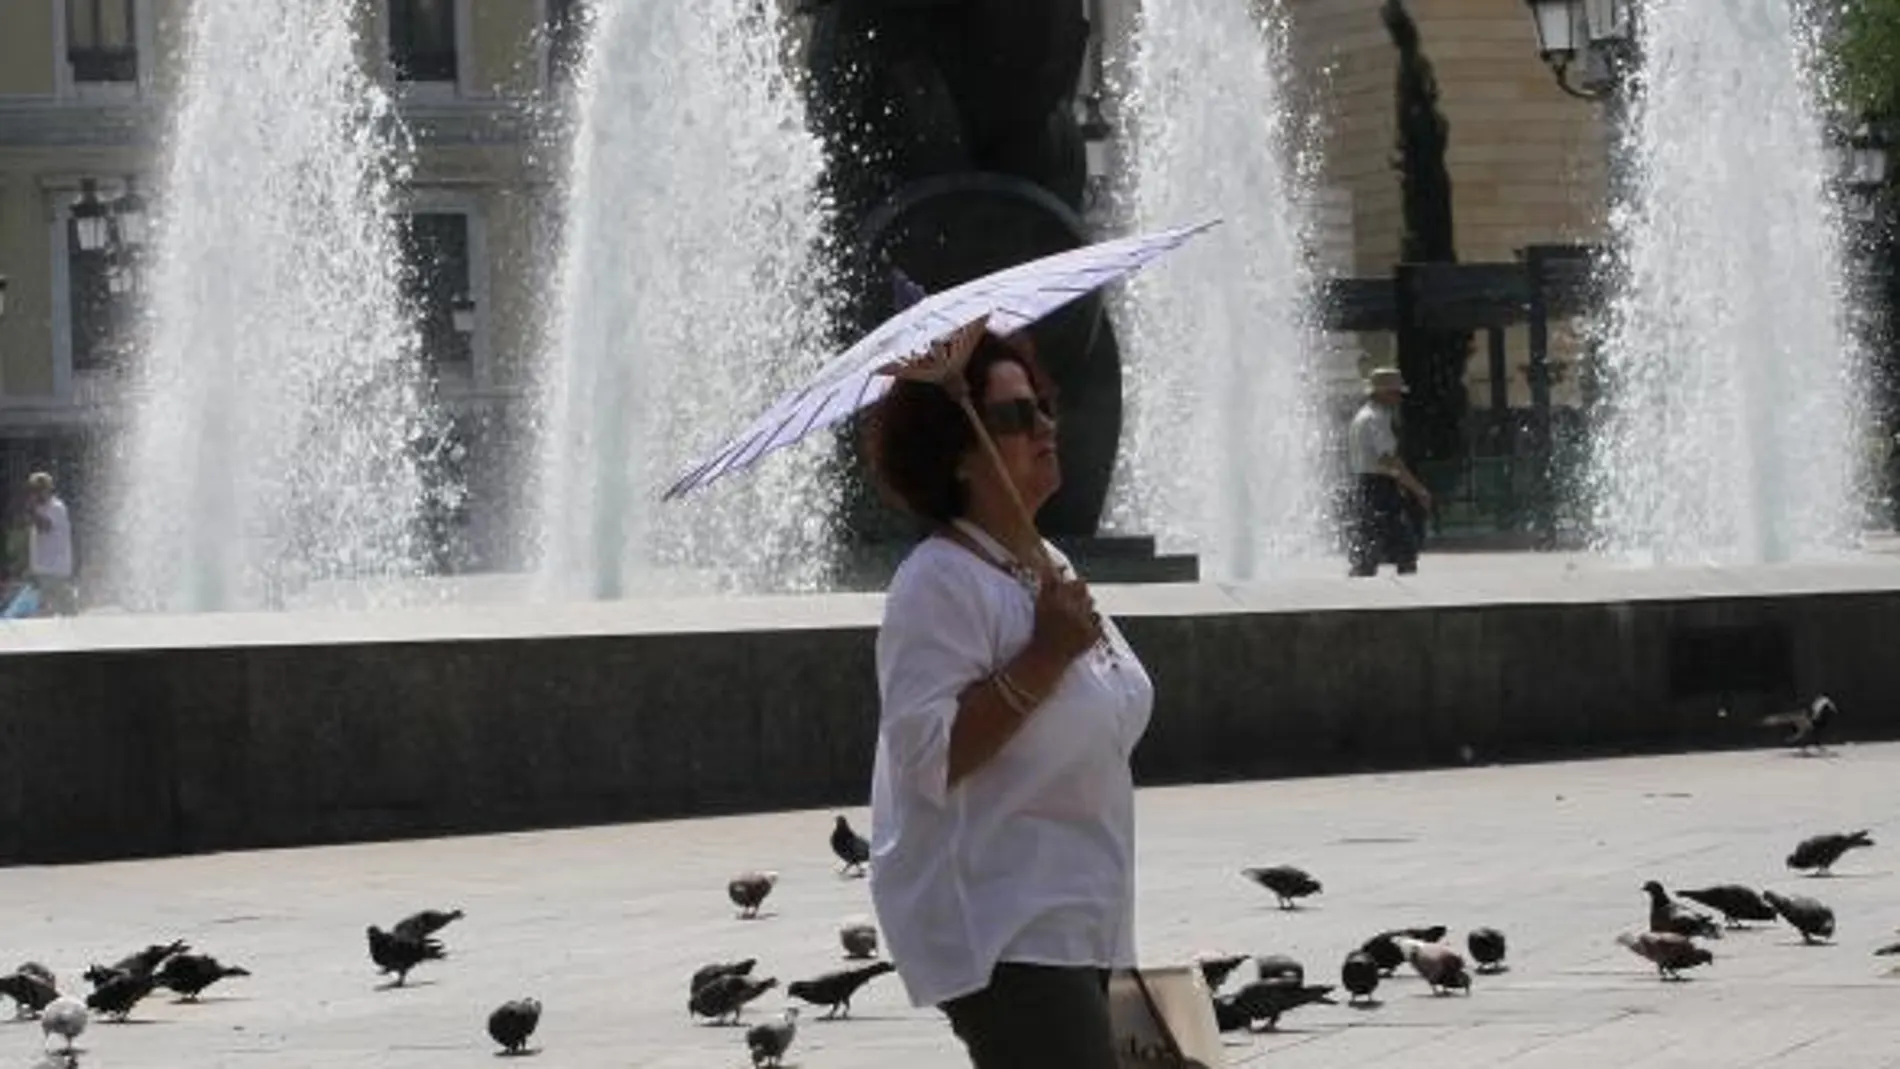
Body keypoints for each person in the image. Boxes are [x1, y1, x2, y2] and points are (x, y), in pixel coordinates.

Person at [862, 332, 1156, 1069]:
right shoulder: (937, 582)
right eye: (1018, 416)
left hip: (1080, 911)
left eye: (1044, 406)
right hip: (1001, 923)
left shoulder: (1044, 563)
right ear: (959, 453)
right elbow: (928, 756)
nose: (1046, 427)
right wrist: (1045, 654)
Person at [1346, 367, 1431, 577]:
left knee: (1368, 532)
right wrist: (1418, 489)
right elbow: (1387, 458)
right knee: (1401, 538)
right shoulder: (1376, 419)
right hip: (1378, 484)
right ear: (1382, 393)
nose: (1398, 398)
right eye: (1395, 393)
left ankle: (1364, 566)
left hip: (1365, 481)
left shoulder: (1362, 416)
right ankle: (1398, 568)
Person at [24, 472, 76, 615]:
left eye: (38, 490)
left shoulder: (56, 507)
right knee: (46, 613)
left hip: (56, 571)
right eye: (33, 490)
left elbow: (45, 526)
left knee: (59, 612)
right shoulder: (39, 509)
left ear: (48, 489)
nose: (35, 494)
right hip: (44, 571)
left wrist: (31, 512)